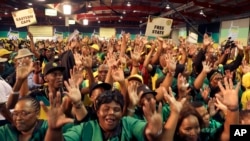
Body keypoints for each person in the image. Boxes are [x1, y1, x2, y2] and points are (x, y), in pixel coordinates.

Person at [44, 90, 164, 141]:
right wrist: (53, 130)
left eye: (116, 109)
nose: (111, 113)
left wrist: (154, 130)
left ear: (122, 112)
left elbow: (147, 131)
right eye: (106, 109)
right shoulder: (85, 129)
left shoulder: (128, 123)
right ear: (97, 112)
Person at [173, 78, 240, 141]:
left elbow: (228, 134)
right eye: (188, 129)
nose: (193, 133)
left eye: (197, 127)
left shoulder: (205, 137)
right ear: (177, 129)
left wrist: (233, 108)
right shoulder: (169, 137)